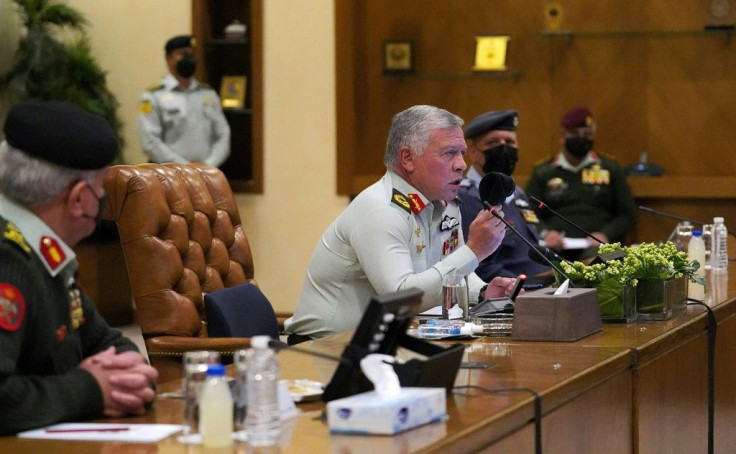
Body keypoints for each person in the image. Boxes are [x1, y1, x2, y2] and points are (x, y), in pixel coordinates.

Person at [284, 105, 519, 343]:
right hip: (324, 347)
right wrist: (474, 251)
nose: (461, 165)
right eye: (449, 153)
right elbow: (401, 298)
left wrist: (482, 292)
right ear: (407, 158)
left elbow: (448, 273)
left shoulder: (445, 204)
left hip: (383, 342)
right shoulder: (381, 209)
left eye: (462, 153)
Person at [0, 99, 158, 435]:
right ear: (79, 199)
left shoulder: (43, 253)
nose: (101, 198)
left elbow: (106, 340)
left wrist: (124, 375)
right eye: (101, 188)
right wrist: (92, 389)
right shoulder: (8, 259)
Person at [525, 105, 637, 261]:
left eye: (587, 134)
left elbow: (627, 214)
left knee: (604, 263)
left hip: (600, 246)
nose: (581, 137)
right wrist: (545, 232)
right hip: (555, 246)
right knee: (536, 263)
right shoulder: (543, 171)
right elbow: (528, 212)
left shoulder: (609, 167)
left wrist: (606, 234)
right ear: (563, 136)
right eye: (575, 133)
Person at [459, 110, 550, 281]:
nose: (503, 148)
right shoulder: (466, 198)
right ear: (473, 152)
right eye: (493, 142)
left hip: (545, 281)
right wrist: (526, 287)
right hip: (517, 293)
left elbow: (535, 247)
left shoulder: (517, 193)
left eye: (509, 142)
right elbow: (480, 266)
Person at [137, 35, 231, 167]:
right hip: (168, 176)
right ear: (168, 59)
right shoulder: (153, 96)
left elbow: (223, 134)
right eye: (182, 54)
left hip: (204, 175)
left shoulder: (208, 94)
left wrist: (208, 165)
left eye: (191, 55)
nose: (188, 59)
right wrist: (185, 168)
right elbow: (150, 142)